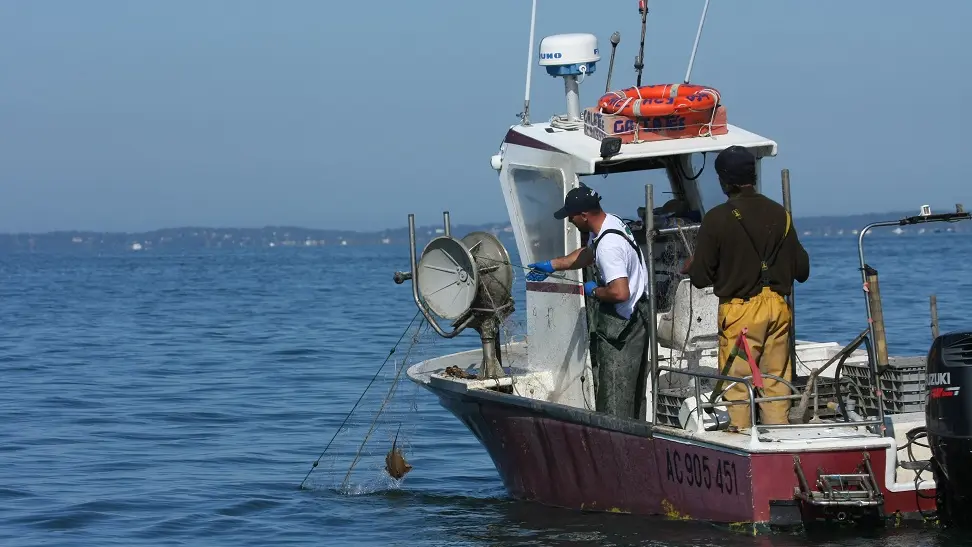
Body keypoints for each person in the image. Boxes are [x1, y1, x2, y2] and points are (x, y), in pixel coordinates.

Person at [683, 145, 810, 431]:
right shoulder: (782, 215)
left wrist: (696, 264)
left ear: (725, 180)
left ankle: (741, 439)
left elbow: (702, 278)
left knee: (738, 385)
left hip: (741, 311)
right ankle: (778, 438)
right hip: (778, 307)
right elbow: (802, 270)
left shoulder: (717, 218)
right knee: (776, 382)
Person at [525, 183, 651, 420]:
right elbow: (588, 253)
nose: (569, 221)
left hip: (624, 326)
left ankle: (616, 443)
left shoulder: (609, 247)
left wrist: (594, 291)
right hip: (637, 315)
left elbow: (619, 292)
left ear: (583, 215)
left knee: (615, 394)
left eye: (571, 216)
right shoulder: (609, 223)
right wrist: (553, 265)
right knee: (631, 391)